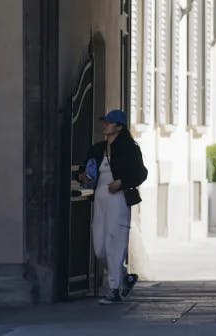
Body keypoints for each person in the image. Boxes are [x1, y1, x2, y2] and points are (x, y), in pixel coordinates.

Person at [79, 109, 148, 305]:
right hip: (100, 198)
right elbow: (86, 170)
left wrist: (122, 182)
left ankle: (115, 290)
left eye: (109, 123)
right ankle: (124, 277)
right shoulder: (97, 148)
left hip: (118, 199)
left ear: (119, 126)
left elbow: (141, 173)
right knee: (100, 247)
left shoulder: (129, 148)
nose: (105, 125)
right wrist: (82, 177)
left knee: (114, 243)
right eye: (105, 122)